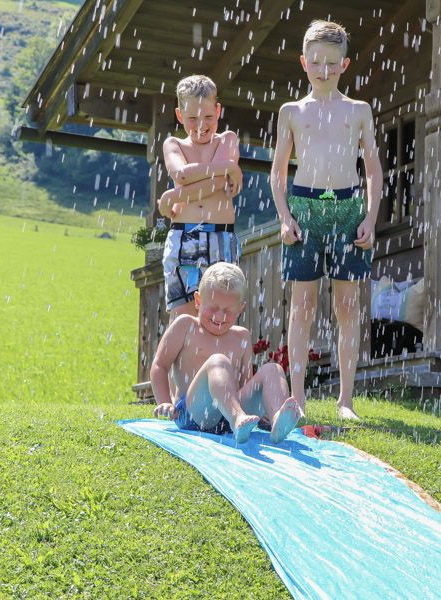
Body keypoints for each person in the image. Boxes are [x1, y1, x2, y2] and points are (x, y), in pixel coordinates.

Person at [270, 20, 382, 421]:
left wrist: (370, 215)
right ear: (303, 62)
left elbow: (372, 170)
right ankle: (296, 397)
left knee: (347, 305)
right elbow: (277, 172)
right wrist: (285, 217)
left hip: (348, 209)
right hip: (305, 208)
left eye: (332, 64)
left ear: (345, 64)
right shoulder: (291, 112)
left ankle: (345, 400)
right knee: (302, 305)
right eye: (316, 62)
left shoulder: (358, 111)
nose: (323, 71)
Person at [151, 262, 301, 444]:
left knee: (273, 369)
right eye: (213, 308)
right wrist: (164, 401)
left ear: (240, 309)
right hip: (193, 415)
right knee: (218, 361)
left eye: (228, 311)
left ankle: (276, 419)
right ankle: (237, 418)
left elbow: (245, 383)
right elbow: (160, 365)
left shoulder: (242, 337)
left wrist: (259, 410)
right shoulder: (186, 326)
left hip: (230, 415)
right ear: (198, 301)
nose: (220, 316)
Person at [158, 74, 243, 320]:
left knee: (221, 319)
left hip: (221, 236)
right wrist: (227, 166)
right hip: (184, 236)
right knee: (183, 322)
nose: (201, 126)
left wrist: (173, 196)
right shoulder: (173, 144)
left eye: (208, 117)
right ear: (179, 115)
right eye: (192, 119)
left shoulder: (228, 139)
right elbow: (182, 174)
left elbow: (218, 184)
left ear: (218, 111)